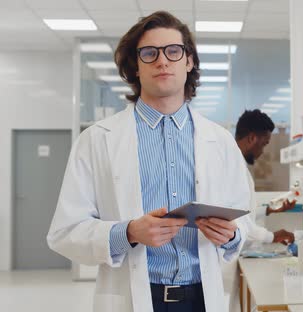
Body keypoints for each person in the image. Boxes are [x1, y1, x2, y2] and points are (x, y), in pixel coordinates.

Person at [47, 11, 251, 312]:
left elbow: (243, 219)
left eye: (173, 51)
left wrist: (233, 234)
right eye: (149, 53)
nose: (162, 60)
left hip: (202, 297)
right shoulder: (97, 139)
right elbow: (64, 233)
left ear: (189, 61)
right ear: (136, 66)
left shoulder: (219, 141)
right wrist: (127, 232)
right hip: (132, 298)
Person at [222, 109, 296, 312]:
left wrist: (271, 211)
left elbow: (244, 210)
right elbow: (241, 220)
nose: (263, 151)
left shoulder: (235, 164)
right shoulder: (232, 168)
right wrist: (272, 236)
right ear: (252, 137)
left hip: (233, 253)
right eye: (263, 143)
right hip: (226, 259)